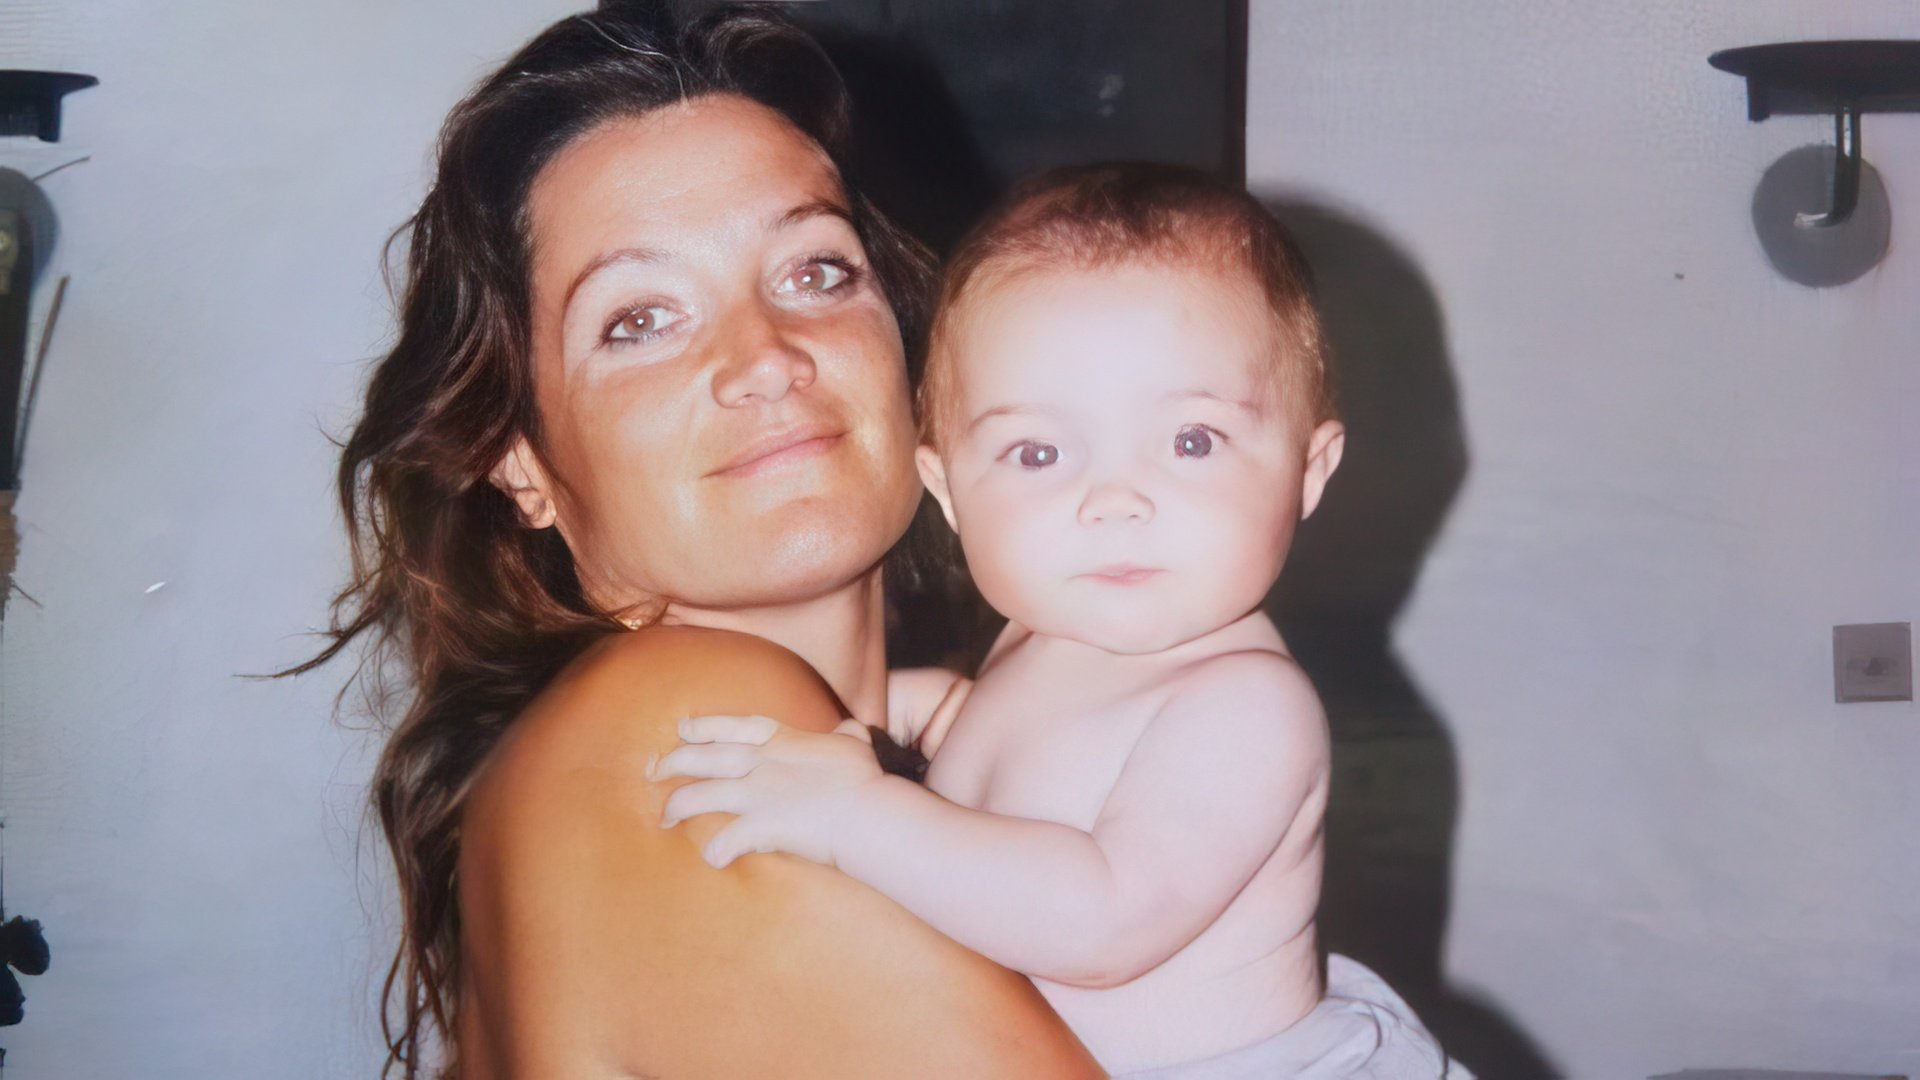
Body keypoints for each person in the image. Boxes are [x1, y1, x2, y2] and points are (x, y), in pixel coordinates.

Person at [295, 7, 1103, 1077]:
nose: (765, 356)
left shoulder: (888, 762)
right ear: (519, 461)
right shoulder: (681, 723)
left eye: (816, 271)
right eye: (640, 320)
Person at [657, 164, 1467, 1078]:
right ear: (950, 493)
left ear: (1309, 471)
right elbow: (1028, 753)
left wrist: (860, 816)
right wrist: (894, 705)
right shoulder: (1050, 632)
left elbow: (1102, 919)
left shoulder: (1248, 705)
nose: (1114, 500)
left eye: (1191, 441)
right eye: (1038, 452)